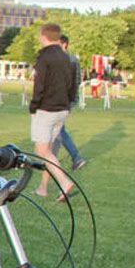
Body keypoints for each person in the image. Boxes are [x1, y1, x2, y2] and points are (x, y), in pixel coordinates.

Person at [29, 23, 78, 200]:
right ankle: (43, 187)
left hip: (46, 108)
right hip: (62, 108)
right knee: (49, 150)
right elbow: (73, 86)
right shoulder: (68, 58)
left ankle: (64, 182)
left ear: (43, 37)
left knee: (42, 151)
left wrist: (33, 107)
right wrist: (68, 104)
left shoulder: (44, 58)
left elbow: (39, 86)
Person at [54, 35, 87, 171]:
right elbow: (76, 81)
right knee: (56, 131)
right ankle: (51, 160)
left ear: (64, 44)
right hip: (66, 100)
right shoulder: (72, 60)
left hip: (61, 100)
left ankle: (76, 157)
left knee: (58, 131)